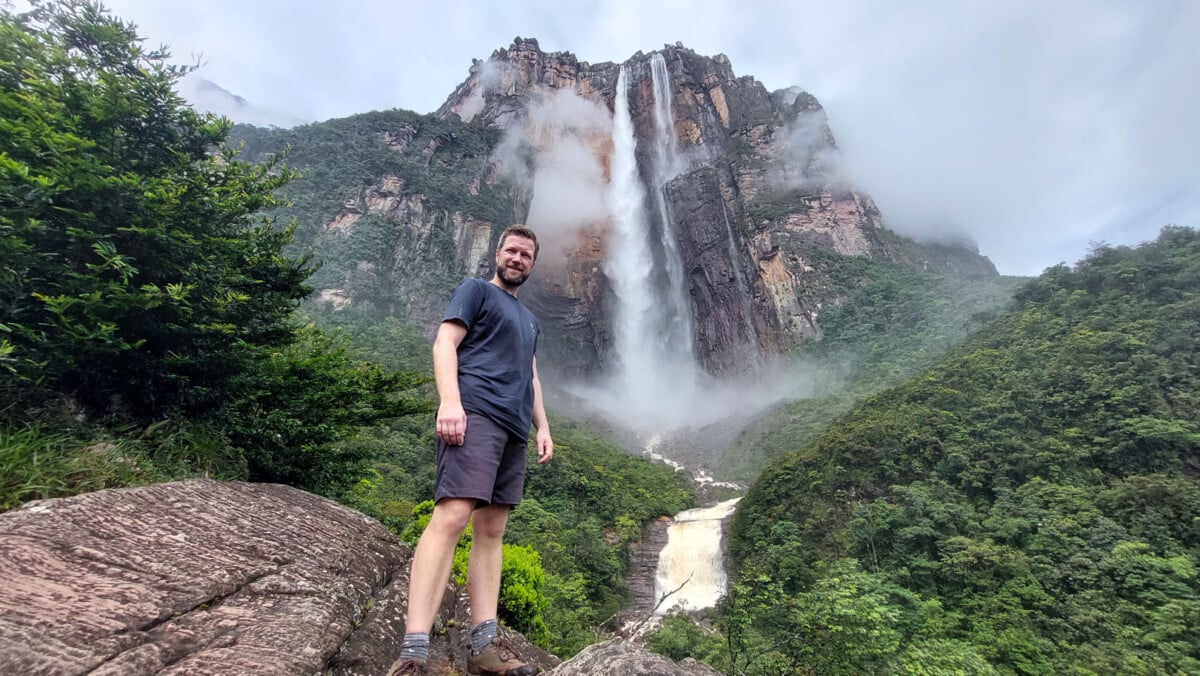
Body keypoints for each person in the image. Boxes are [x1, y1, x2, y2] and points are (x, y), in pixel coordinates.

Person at [388, 225, 554, 676]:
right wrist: (450, 402)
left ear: (533, 264)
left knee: (492, 529)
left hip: (515, 428)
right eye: (512, 250)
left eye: (526, 254)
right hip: (476, 411)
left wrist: (543, 426)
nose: (518, 258)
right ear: (497, 253)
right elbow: (445, 342)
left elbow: (531, 376)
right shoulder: (476, 291)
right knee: (453, 515)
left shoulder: (531, 321)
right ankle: (414, 651)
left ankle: (484, 648)